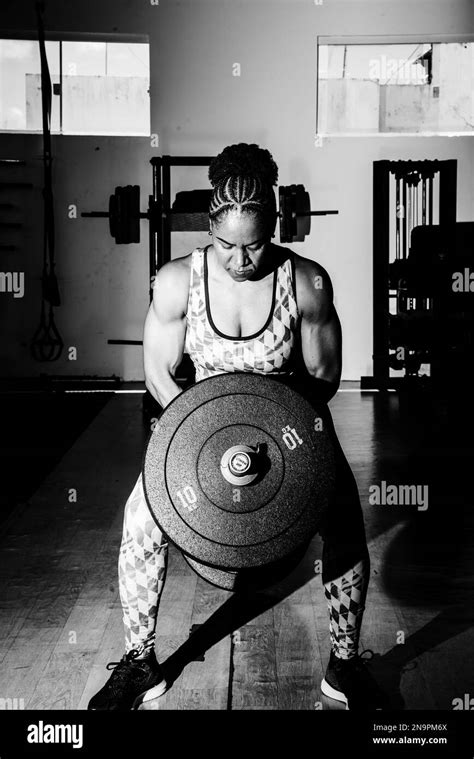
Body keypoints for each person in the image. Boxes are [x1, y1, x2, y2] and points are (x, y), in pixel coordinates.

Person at [88, 143, 382, 711]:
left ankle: (344, 666)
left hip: (290, 431)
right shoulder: (177, 283)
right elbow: (158, 376)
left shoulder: (306, 283)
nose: (241, 259)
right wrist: (205, 434)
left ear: (273, 226)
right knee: (141, 521)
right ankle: (140, 662)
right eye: (226, 244)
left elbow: (323, 378)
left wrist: (271, 429)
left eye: (253, 245)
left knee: (345, 520)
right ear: (209, 227)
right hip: (197, 433)